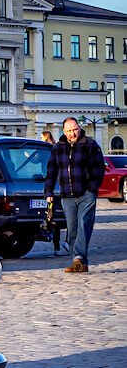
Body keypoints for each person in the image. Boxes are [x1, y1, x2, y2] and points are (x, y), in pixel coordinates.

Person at [46, 116, 104, 273]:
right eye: (70, 131)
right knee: (72, 229)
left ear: (79, 128)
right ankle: (79, 262)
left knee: (83, 225)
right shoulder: (58, 147)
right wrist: (49, 191)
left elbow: (99, 168)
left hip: (86, 194)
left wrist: (92, 188)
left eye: (75, 130)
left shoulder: (90, 145)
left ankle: (78, 257)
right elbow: (51, 170)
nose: (73, 133)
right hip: (67, 195)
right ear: (64, 131)